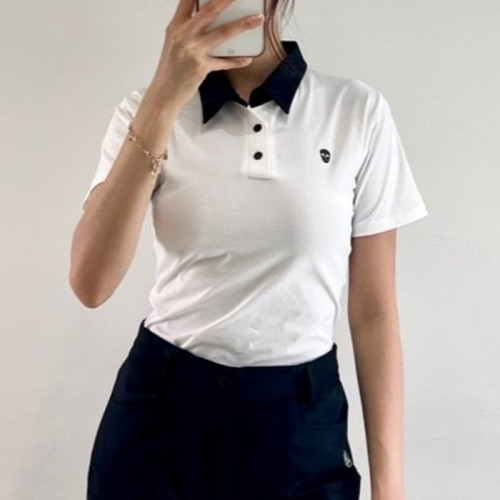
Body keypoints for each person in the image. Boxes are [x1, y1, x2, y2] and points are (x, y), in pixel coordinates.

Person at [69, 0, 429, 499]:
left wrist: (391, 490)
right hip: (161, 415)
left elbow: (374, 313)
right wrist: (162, 100)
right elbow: (90, 283)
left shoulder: (355, 111)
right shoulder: (142, 113)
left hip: (299, 426)